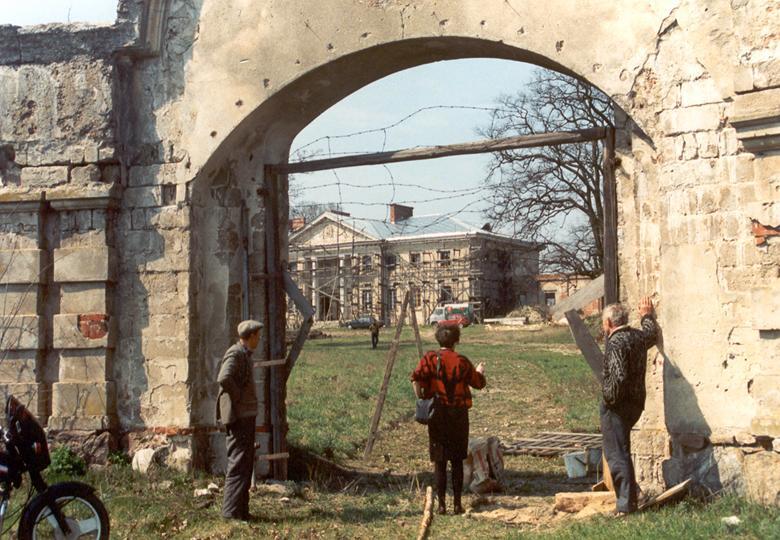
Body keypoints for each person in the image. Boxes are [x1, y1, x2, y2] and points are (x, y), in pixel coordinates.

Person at [410, 325, 486, 515]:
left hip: (437, 414)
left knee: (440, 461)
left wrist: (420, 398)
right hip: (458, 415)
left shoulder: (430, 358)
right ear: (456, 341)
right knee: (457, 460)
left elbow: (416, 378)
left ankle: (442, 505)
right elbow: (478, 383)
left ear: (438, 340)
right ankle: (458, 504)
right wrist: (480, 371)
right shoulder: (462, 361)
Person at [600, 296, 658, 516]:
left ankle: (625, 506)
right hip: (636, 403)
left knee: (616, 454)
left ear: (608, 323)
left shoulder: (615, 342)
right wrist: (647, 316)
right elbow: (651, 335)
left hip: (618, 405)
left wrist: (608, 399)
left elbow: (619, 375)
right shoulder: (636, 337)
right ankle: (634, 496)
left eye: (603, 323)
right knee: (622, 451)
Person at [216, 319, 263, 521]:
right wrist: (239, 399)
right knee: (238, 464)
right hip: (239, 418)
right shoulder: (235, 353)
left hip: (245, 417)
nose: (259, 340)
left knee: (245, 465)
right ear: (250, 337)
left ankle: (241, 512)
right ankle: (230, 513)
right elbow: (223, 378)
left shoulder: (244, 354)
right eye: (257, 337)